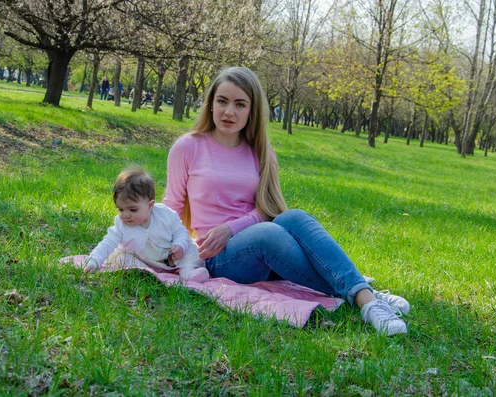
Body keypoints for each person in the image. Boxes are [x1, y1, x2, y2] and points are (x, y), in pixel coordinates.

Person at [163, 67, 410, 335]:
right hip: (218, 256)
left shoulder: (261, 152)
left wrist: (231, 228)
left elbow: (268, 209)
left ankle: (367, 299)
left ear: (251, 111)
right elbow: (172, 206)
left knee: (295, 217)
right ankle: (367, 295)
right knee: (268, 233)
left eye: (240, 104)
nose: (229, 112)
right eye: (222, 101)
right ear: (210, 104)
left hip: (263, 244)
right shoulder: (187, 147)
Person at [85, 166, 209, 283]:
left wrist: (179, 245)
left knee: (189, 252)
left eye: (133, 210)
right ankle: (146, 272)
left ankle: (189, 273)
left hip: (172, 257)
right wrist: (94, 261)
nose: (125, 215)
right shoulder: (121, 225)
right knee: (122, 258)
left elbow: (180, 231)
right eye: (121, 209)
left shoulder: (165, 214)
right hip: (144, 259)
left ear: (150, 205)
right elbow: (107, 243)